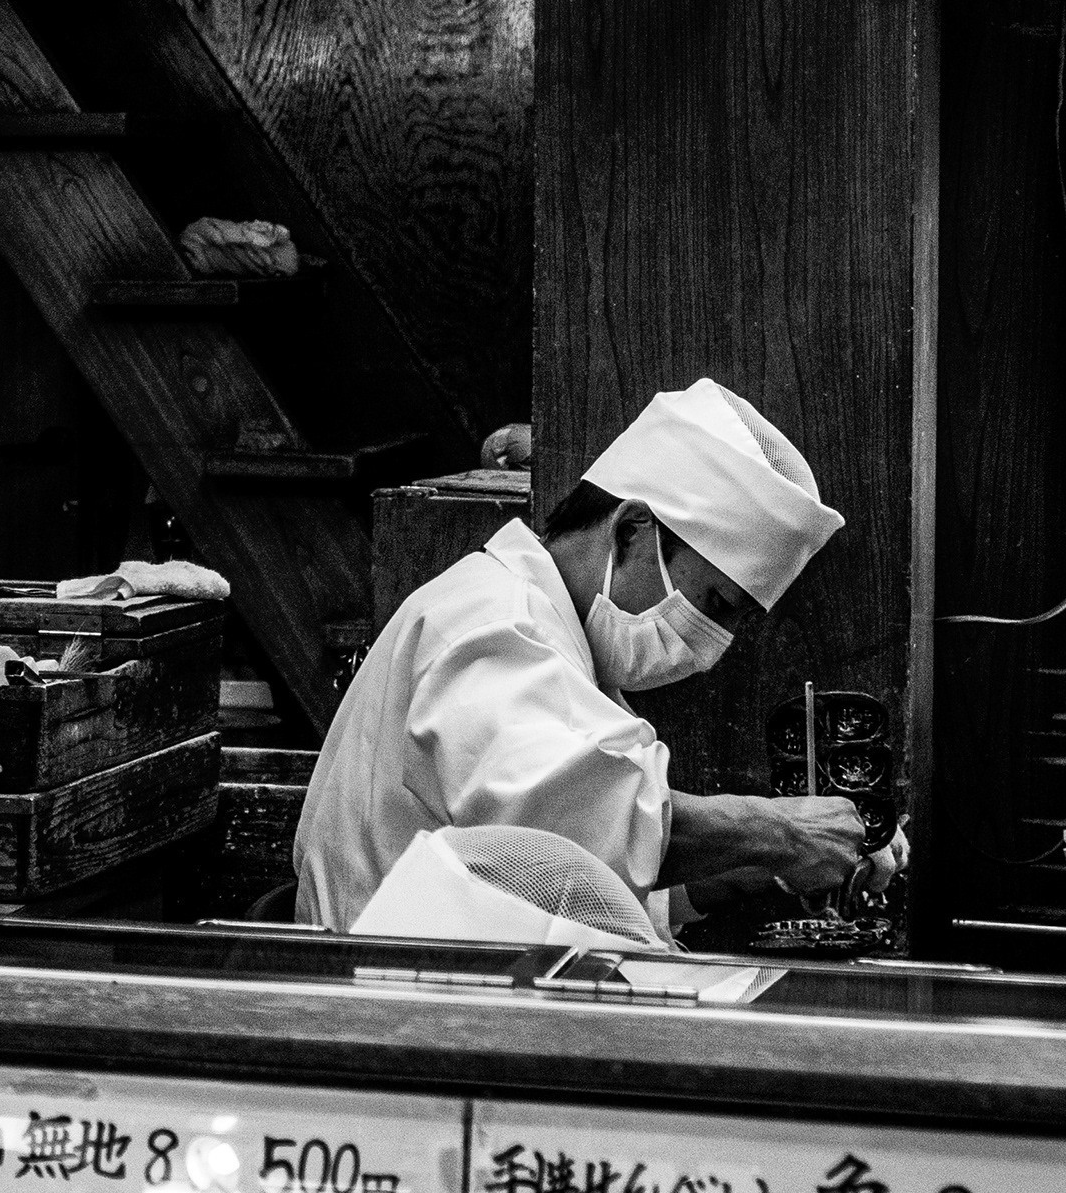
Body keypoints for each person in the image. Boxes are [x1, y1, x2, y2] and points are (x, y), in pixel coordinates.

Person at [295, 377, 884, 933]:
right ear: (631, 530)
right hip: (387, 1003)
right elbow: (557, 818)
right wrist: (776, 831)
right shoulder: (488, 623)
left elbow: (557, 883)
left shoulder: (555, 640)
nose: (715, 640)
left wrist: (740, 871)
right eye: (717, 603)